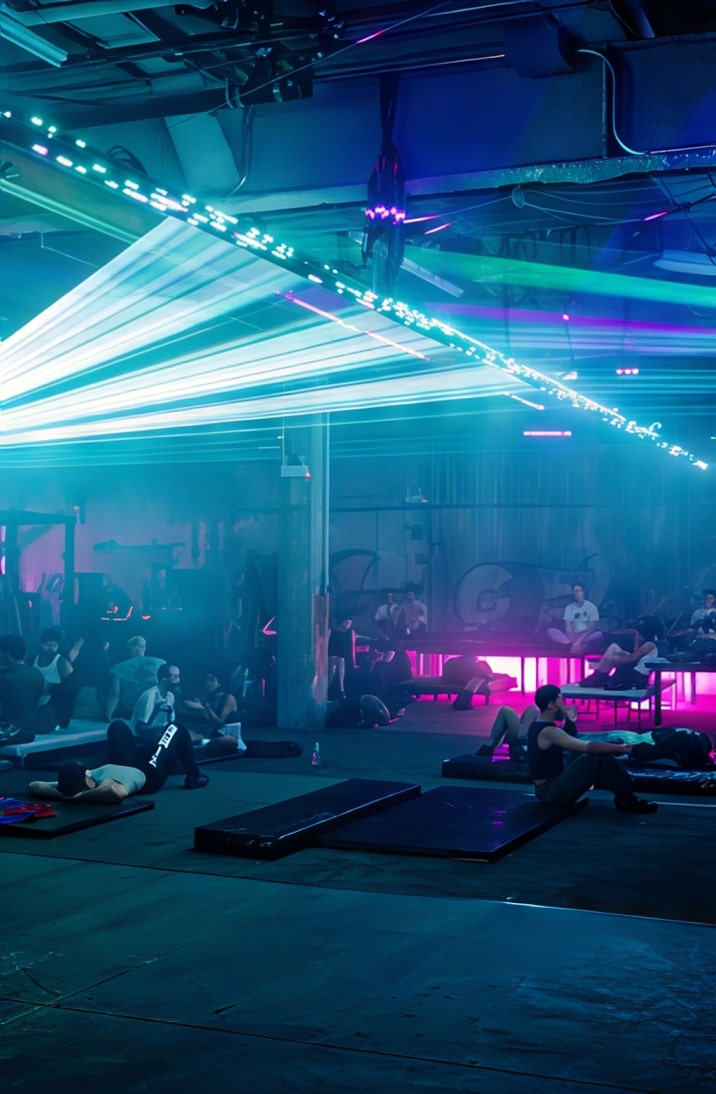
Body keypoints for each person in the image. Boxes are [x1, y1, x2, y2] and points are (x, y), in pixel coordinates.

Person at [527, 683, 657, 813]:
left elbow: (571, 735)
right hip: (550, 792)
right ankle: (626, 797)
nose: (564, 703)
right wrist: (623, 749)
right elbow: (587, 747)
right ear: (551, 704)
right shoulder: (549, 731)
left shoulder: (540, 725)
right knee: (595, 757)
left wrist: (567, 716)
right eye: (561, 699)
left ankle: (626, 796)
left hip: (550, 788)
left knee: (600, 755)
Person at [27, 719, 209, 801]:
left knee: (117, 726)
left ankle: (143, 744)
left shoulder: (77, 783)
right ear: (88, 780)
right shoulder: (110, 785)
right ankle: (194, 776)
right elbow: (116, 793)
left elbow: (35, 785)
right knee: (175, 727)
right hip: (149, 772)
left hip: (123, 761)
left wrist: (70, 795)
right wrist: (81, 797)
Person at [475, 699, 579, 760]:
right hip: (525, 740)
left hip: (525, 742)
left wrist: (566, 714)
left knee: (506, 711)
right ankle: (489, 746)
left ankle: (489, 746)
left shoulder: (563, 728)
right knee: (532, 709)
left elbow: (570, 730)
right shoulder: (550, 721)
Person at [578, 615, 660, 689]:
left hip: (636, 675)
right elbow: (635, 654)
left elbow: (631, 659)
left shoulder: (649, 645)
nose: (638, 634)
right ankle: (600, 673)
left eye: (639, 633)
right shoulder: (649, 643)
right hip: (634, 666)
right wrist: (637, 640)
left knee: (609, 657)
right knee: (613, 647)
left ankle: (600, 674)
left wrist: (612, 659)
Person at [105, 635, 165, 721]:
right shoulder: (161, 663)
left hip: (131, 711)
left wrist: (108, 716)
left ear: (129, 648)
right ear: (144, 648)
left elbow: (114, 695)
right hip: (155, 710)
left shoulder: (118, 668)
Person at [0, 633, 44, 744]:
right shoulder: (36, 673)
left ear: (7, 654)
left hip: (7, 734)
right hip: (29, 733)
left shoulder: (3, 676)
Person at [31, 626, 75, 728]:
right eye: (47, 645)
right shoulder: (33, 659)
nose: (50, 648)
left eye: (54, 645)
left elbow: (69, 694)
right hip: (35, 703)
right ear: (41, 644)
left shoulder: (62, 663)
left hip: (54, 707)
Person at [547, 583, 603, 653]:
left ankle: (576, 646)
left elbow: (591, 629)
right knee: (551, 631)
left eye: (581, 591)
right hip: (572, 637)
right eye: (576, 591)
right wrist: (573, 641)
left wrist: (579, 641)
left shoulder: (592, 608)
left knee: (598, 634)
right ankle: (571, 645)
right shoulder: (569, 608)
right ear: (573, 594)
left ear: (584, 593)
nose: (578, 593)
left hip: (585, 636)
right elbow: (568, 630)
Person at [327, 615, 357, 700]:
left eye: (350, 622)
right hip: (331, 655)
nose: (349, 624)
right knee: (331, 673)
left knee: (340, 666)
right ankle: (331, 690)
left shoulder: (349, 633)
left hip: (341, 656)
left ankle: (340, 690)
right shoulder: (331, 631)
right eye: (347, 622)